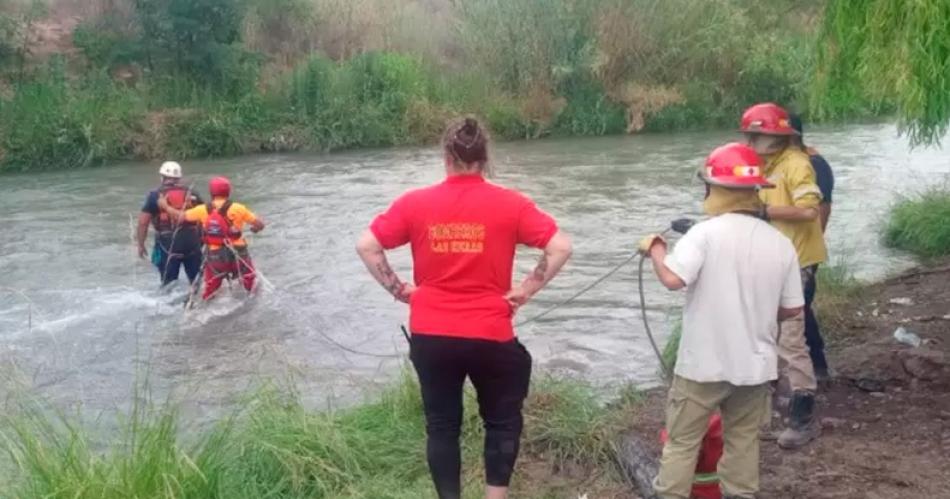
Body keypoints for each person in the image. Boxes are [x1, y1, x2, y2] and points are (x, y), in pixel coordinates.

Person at [356, 117, 572, 499]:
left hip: (431, 333)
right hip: (491, 333)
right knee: (502, 423)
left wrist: (400, 290)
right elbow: (560, 248)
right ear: (485, 158)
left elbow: (367, 246)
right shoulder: (512, 203)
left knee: (441, 427)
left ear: (446, 157)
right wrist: (525, 290)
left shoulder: (414, 203)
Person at [641, 142, 805, 499]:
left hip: (702, 365)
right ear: (755, 192)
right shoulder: (780, 244)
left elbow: (672, 279)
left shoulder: (702, 234)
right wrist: (760, 310)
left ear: (713, 189)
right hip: (755, 367)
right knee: (743, 443)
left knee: (682, 443)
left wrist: (655, 251)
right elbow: (793, 309)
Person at [739, 102, 827, 449]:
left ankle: (802, 417)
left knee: (791, 338)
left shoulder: (796, 164)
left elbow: (809, 210)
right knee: (763, 333)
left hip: (796, 262)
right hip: (767, 260)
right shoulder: (758, 164)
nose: (750, 139)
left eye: (755, 134)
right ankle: (766, 411)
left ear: (772, 135)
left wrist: (764, 211)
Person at [159, 176, 265, 300]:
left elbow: (180, 217)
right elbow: (260, 224)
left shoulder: (203, 209)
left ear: (211, 192)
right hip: (239, 253)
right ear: (228, 191)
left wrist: (166, 207)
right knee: (251, 284)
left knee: (210, 290)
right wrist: (255, 229)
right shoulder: (239, 208)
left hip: (215, 255)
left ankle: (201, 310)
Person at [789, 113, 834, 381]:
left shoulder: (815, 165)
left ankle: (817, 366)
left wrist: (811, 251)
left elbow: (822, 209)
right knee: (797, 308)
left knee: (799, 307)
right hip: (785, 249)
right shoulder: (783, 164)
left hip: (804, 251)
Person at [136, 161, 204, 286]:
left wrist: (140, 244)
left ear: (162, 177)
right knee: (196, 282)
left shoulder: (155, 195)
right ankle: (198, 303)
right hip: (192, 240)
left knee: (169, 284)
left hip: (167, 242)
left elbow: (143, 222)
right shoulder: (192, 192)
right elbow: (205, 216)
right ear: (179, 177)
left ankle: (170, 304)